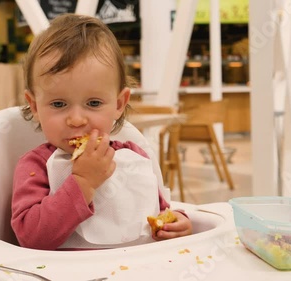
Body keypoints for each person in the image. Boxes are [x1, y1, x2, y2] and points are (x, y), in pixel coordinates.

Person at [11, 13, 192, 250]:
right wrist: (82, 182)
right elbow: (31, 238)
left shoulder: (134, 157)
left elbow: (157, 210)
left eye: (93, 103)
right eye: (58, 104)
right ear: (34, 106)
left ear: (119, 104)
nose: (76, 120)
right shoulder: (36, 167)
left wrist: (176, 221)